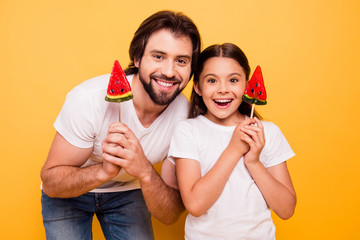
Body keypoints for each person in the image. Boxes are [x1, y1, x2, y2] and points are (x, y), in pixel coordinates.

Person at [40, 10, 201, 240]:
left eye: (181, 61)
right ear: (137, 58)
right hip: (70, 192)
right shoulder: (88, 99)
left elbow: (170, 214)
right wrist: (104, 171)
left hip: (128, 191)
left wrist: (145, 171)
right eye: (158, 56)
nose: (169, 71)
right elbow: (51, 183)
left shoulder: (185, 117)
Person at [168, 43, 296, 240]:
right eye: (212, 81)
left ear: (246, 85)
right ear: (198, 87)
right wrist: (234, 150)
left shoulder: (268, 132)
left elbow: (286, 209)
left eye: (233, 80)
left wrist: (253, 162)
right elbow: (195, 205)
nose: (223, 89)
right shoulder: (187, 131)